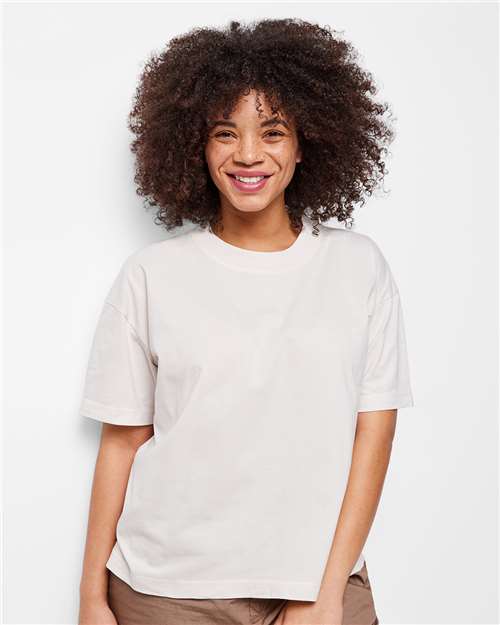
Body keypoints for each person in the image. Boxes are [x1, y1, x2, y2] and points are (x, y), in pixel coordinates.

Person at [78, 17, 414, 625]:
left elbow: (374, 433)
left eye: (273, 131)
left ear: (306, 142)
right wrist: (91, 599)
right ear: (197, 146)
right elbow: (122, 441)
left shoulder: (358, 266)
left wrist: (327, 592)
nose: (249, 154)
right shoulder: (152, 275)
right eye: (225, 133)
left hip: (319, 583)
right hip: (168, 592)